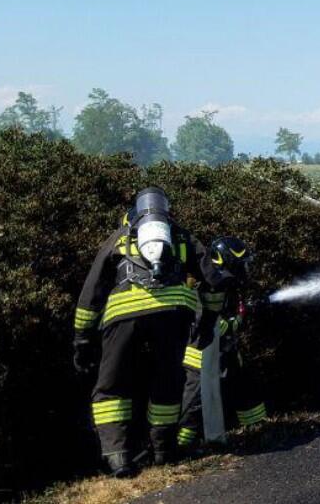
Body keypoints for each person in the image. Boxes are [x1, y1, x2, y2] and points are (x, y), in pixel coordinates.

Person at [72, 187, 220, 477]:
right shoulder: (181, 236)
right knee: (167, 381)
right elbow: (212, 280)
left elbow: (91, 292)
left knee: (111, 386)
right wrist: (208, 320)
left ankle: (118, 458)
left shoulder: (120, 237)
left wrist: (82, 338)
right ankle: (163, 451)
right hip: (174, 314)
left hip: (123, 315)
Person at [177, 236, 267, 450]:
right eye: (242, 263)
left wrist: (237, 318)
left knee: (243, 384)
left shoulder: (230, 283)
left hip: (225, 348)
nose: (246, 268)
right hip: (200, 352)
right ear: (227, 260)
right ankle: (182, 445)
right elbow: (194, 308)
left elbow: (234, 309)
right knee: (195, 400)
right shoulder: (201, 279)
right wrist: (222, 324)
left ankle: (257, 428)